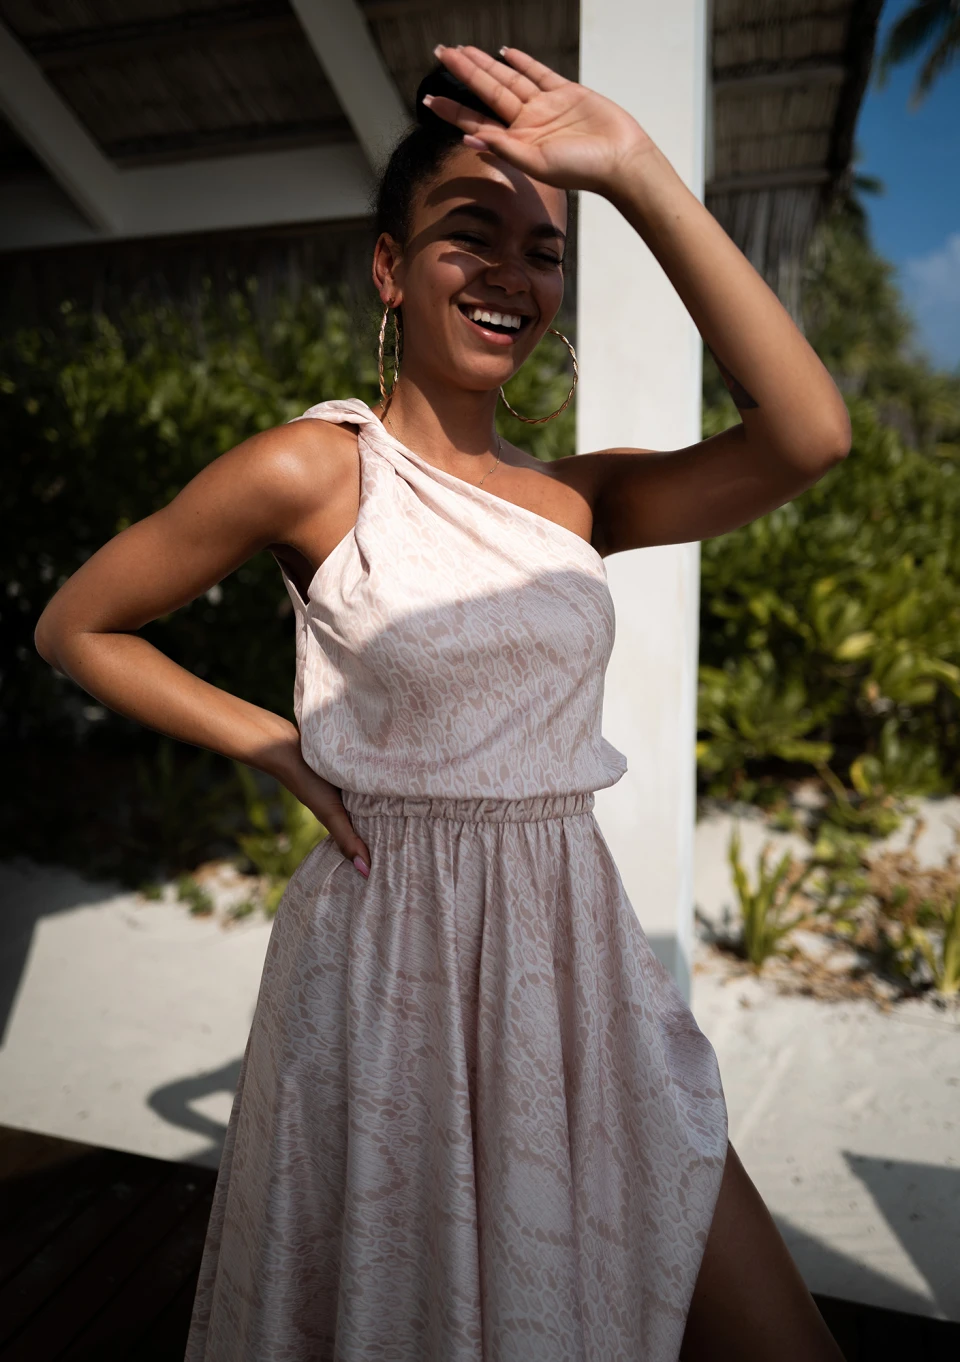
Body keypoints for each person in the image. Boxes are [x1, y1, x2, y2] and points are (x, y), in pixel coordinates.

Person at [34, 43, 850, 1362]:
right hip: (391, 961)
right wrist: (271, 742)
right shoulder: (316, 469)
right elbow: (78, 624)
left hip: (575, 955)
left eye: (544, 251)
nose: (511, 273)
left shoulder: (580, 497)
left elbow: (810, 433)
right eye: (470, 234)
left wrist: (636, 170)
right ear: (390, 267)